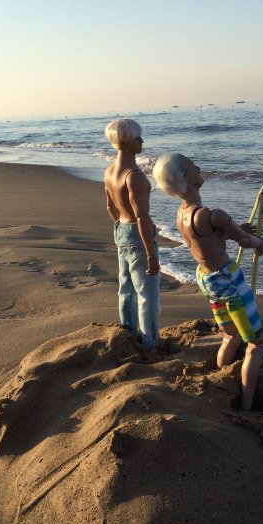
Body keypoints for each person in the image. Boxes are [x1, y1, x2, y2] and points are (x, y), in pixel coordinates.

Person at [152, 152, 263, 410]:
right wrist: (258, 243)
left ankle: (220, 378)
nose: (199, 167)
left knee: (230, 336)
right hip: (228, 279)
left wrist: (236, 231)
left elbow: (206, 242)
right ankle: (247, 405)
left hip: (206, 279)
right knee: (255, 344)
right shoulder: (213, 215)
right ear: (185, 177)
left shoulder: (182, 215)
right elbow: (246, 242)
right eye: (193, 166)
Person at [104, 118, 160, 357]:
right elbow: (143, 218)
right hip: (136, 234)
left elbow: (110, 207)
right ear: (126, 143)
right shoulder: (133, 175)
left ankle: (128, 331)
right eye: (138, 138)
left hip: (120, 230)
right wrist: (150, 254)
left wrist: (120, 227)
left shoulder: (109, 171)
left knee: (126, 286)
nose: (142, 141)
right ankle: (150, 343)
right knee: (147, 293)